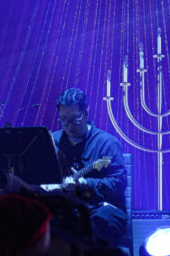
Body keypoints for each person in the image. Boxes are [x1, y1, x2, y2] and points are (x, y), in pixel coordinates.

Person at [52, 87, 127, 246]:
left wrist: (87, 183)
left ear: (86, 113)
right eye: (64, 120)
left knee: (99, 223)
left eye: (75, 119)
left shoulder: (107, 143)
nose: (69, 126)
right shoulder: (53, 141)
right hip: (66, 206)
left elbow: (119, 182)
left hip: (100, 207)